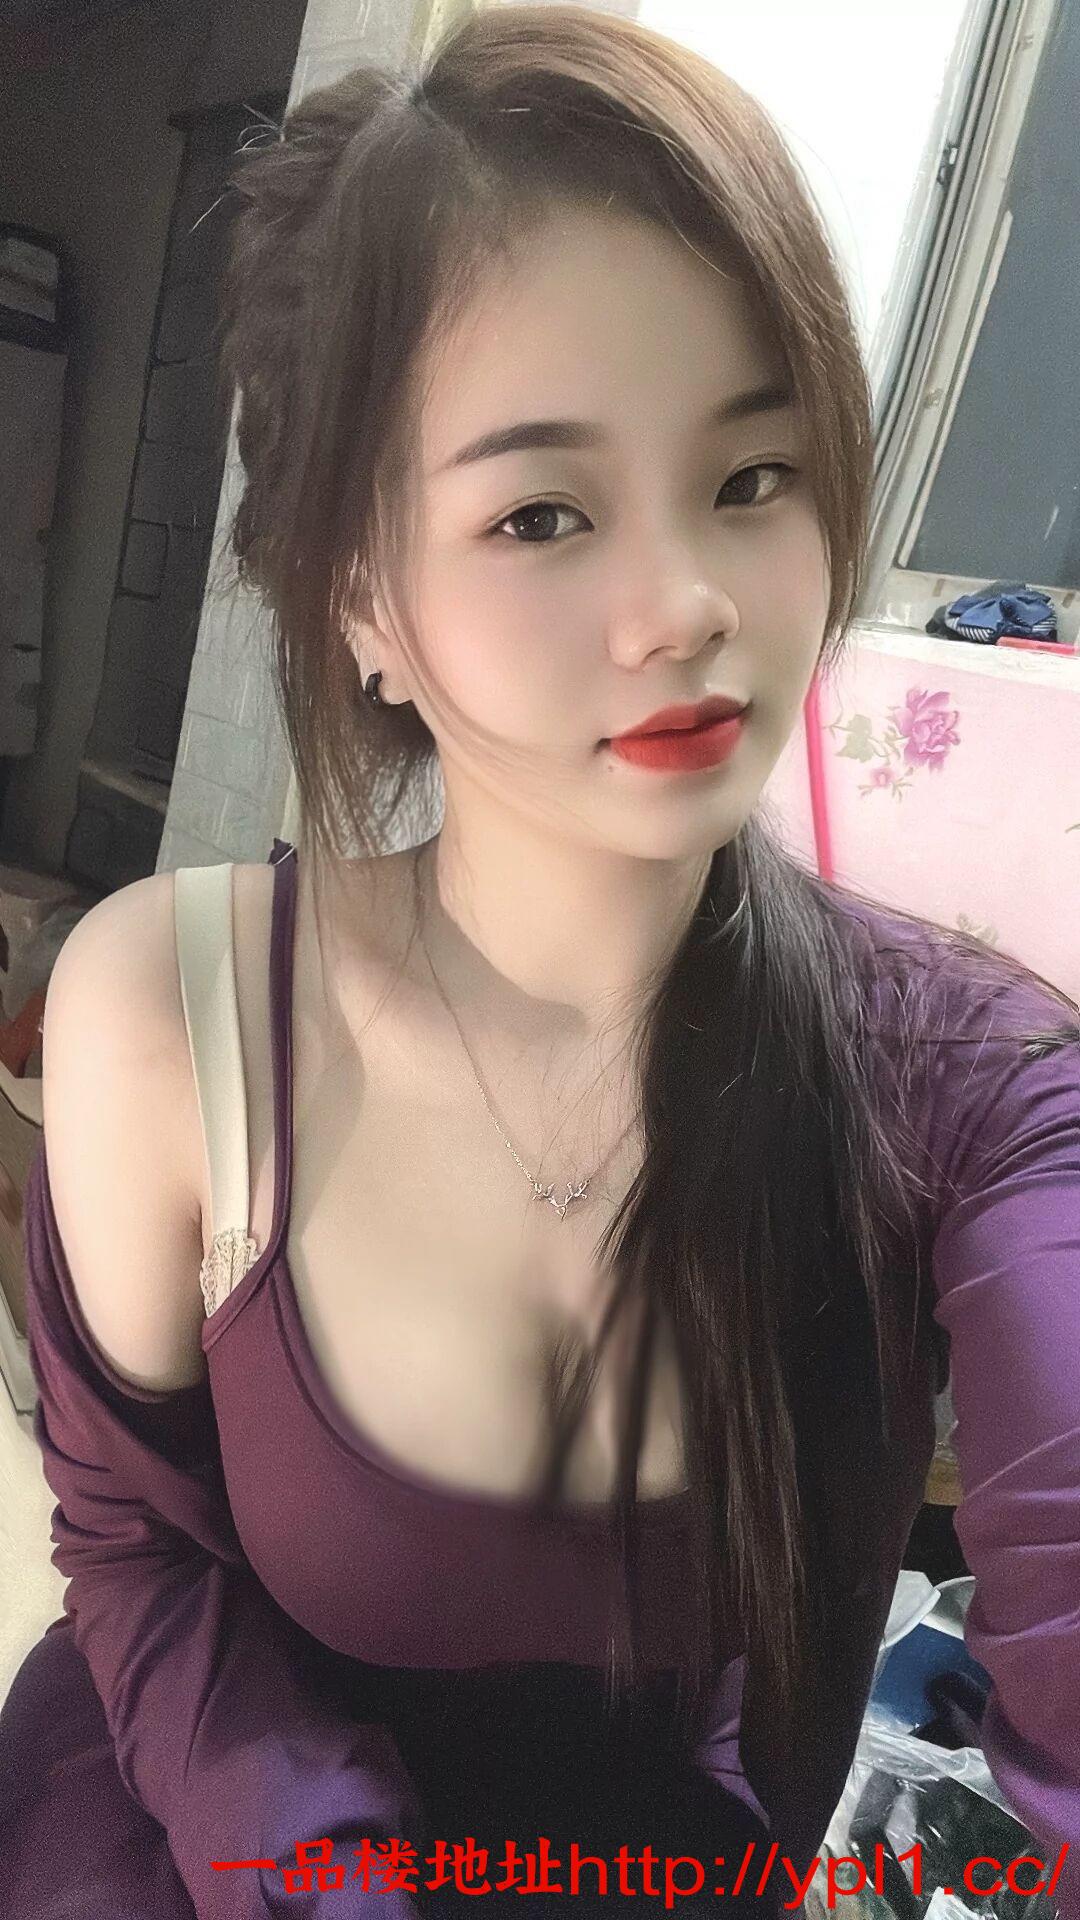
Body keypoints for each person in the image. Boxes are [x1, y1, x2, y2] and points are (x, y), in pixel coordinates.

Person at [1, 6, 1078, 1916]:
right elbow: (139, 1550)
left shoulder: (974, 1085)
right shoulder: (173, 1014)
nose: (686, 604)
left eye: (753, 478)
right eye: (543, 513)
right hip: (204, 1844)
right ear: (359, 598)